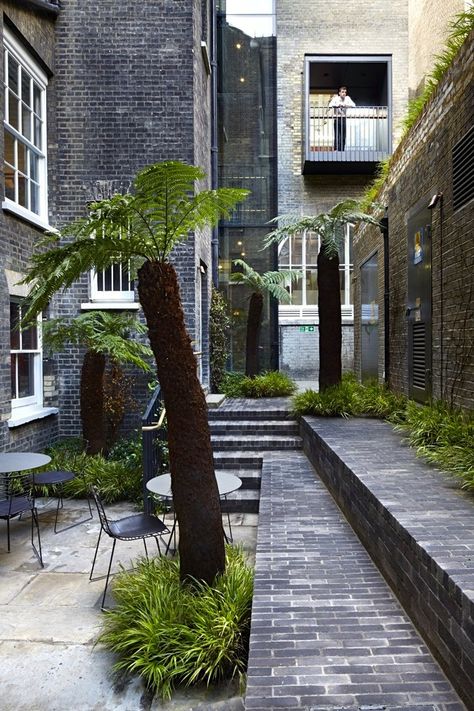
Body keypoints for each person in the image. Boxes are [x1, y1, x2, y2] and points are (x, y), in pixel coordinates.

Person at [328, 86, 356, 151]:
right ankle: (336, 149)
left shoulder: (347, 98)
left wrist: (346, 105)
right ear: (339, 93)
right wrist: (337, 105)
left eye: (345, 92)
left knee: (343, 135)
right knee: (337, 135)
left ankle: (342, 150)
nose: (344, 93)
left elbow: (354, 105)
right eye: (342, 92)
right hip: (337, 118)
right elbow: (330, 105)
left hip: (343, 118)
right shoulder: (336, 98)